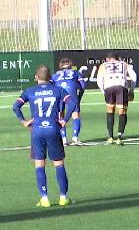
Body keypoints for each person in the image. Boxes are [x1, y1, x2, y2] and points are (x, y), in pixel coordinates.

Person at [13, 65, 74, 208]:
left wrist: (24, 121)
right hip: (53, 128)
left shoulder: (29, 91)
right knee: (58, 163)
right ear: (50, 77)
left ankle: (44, 198)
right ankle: (63, 197)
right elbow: (72, 103)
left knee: (39, 164)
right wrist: (64, 120)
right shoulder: (58, 90)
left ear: (36, 77)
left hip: (37, 130)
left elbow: (16, 107)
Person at [98, 52, 137, 145]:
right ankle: (119, 137)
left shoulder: (103, 65)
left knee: (110, 110)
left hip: (108, 87)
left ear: (107, 59)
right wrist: (131, 90)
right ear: (118, 58)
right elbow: (134, 77)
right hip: (121, 86)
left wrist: (103, 91)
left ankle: (110, 137)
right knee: (122, 111)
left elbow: (99, 80)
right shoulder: (124, 64)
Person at [51, 58, 86, 146]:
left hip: (59, 91)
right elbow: (83, 85)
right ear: (70, 66)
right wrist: (79, 95)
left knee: (60, 115)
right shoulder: (75, 72)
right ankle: (75, 137)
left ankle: (63, 139)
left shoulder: (55, 75)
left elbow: (50, 85)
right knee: (75, 114)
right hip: (71, 91)